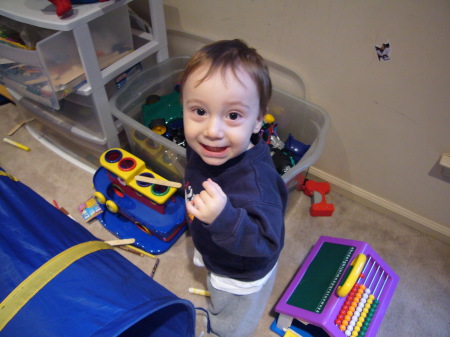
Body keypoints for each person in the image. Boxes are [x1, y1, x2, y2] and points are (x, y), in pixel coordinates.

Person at [180, 39, 288, 337]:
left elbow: (268, 242)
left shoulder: (256, 185)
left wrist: (224, 219)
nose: (212, 132)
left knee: (233, 320)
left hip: (241, 272)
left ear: (257, 121)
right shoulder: (203, 148)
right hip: (216, 245)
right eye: (199, 111)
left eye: (233, 115)